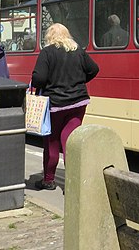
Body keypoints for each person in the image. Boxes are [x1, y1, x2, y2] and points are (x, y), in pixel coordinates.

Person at [31, 23, 99, 190]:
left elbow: (39, 79)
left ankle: (48, 180)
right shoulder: (77, 50)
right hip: (78, 103)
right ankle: (74, 181)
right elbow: (94, 69)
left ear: (49, 36)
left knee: (52, 143)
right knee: (70, 141)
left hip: (55, 105)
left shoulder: (47, 52)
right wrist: (79, 83)